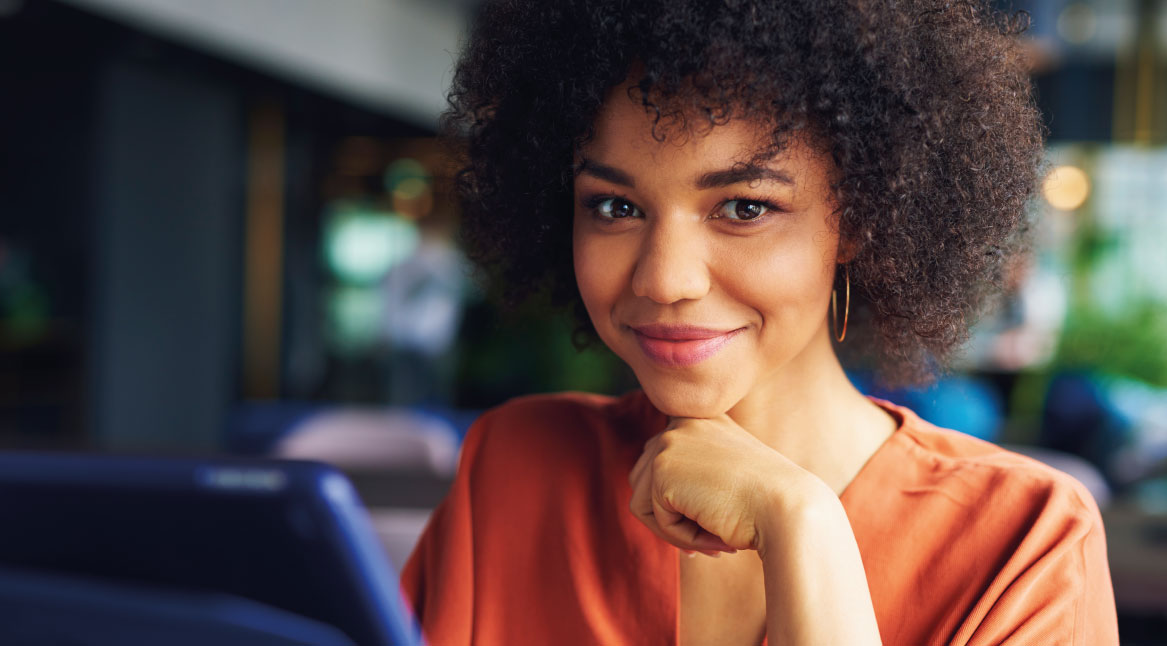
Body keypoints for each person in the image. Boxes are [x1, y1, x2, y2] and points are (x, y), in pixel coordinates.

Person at [401, 1, 1118, 644]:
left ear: (861, 219)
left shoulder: (1025, 542)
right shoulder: (515, 471)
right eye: (616, 207)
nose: (664, 279)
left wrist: (800, 528)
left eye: (745, 208)